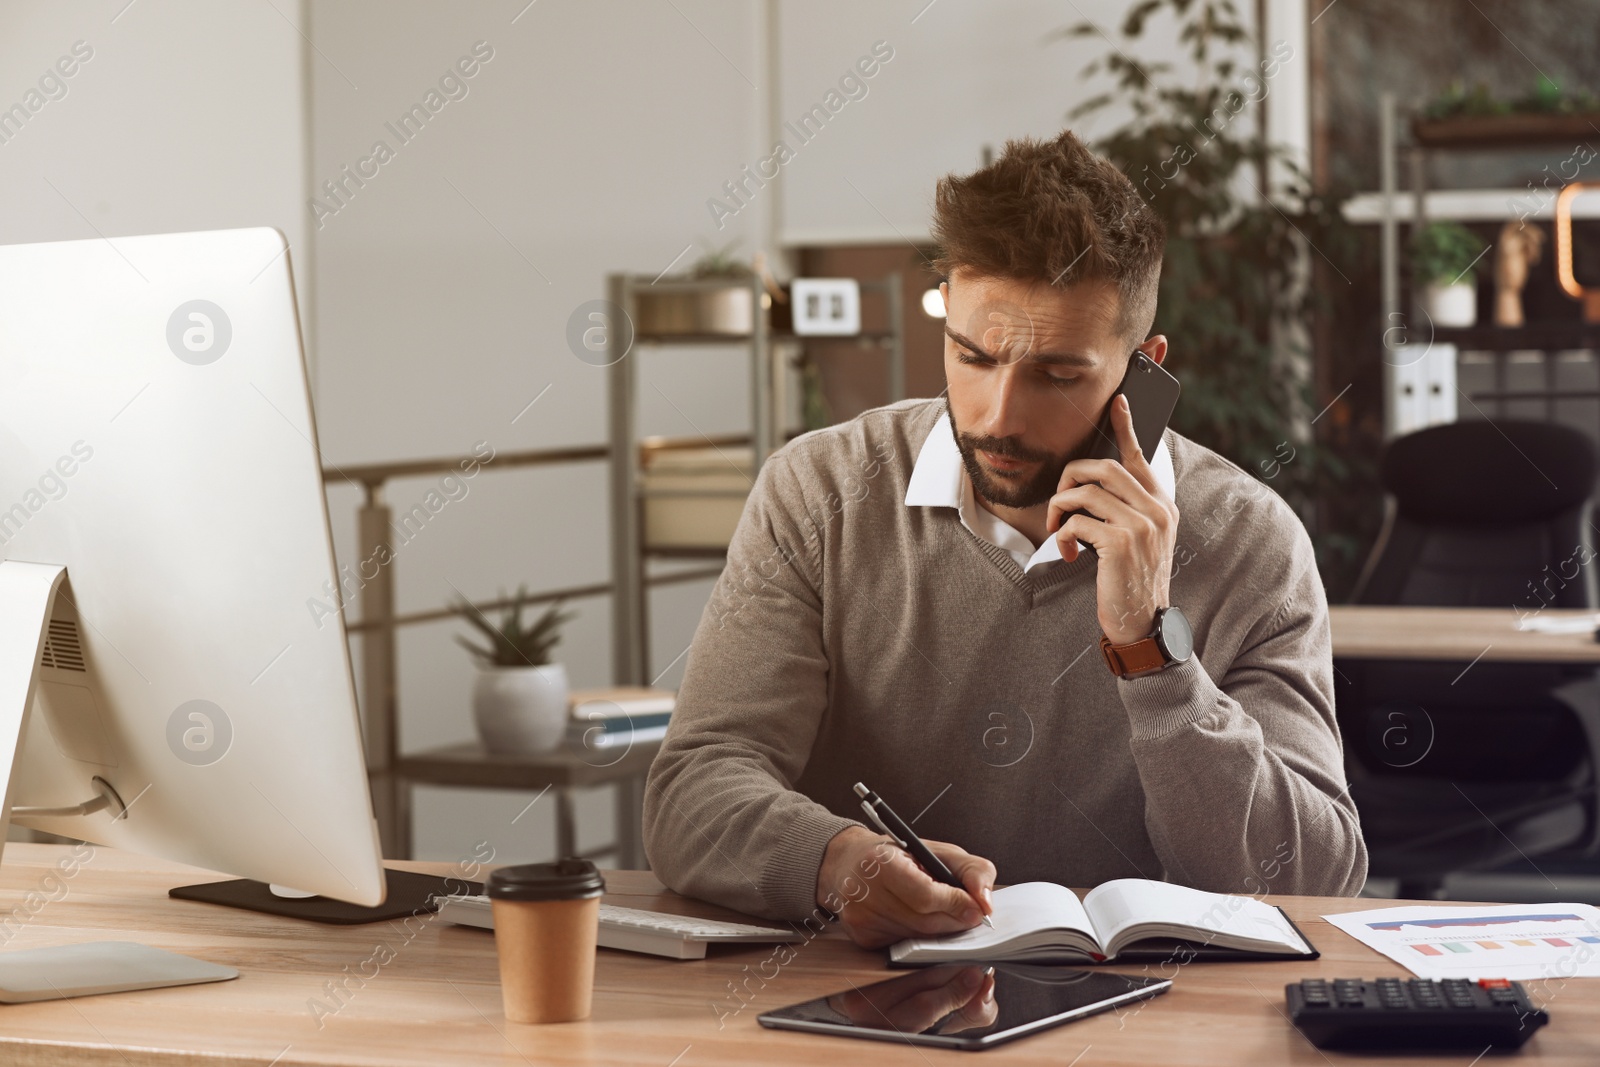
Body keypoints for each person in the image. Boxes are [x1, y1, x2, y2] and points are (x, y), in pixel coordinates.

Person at [643, 128, 1366, 949]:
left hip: (1146, 1020)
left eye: (1058, 375)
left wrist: (1152, 657)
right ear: (946, 313)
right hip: (866, 1009)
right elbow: (692, 791)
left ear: (1143, 367)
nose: (997, 416)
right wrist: (836, 861)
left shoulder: (1253, 541)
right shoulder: (821, 490)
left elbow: (1312, 879)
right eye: (972, 356)